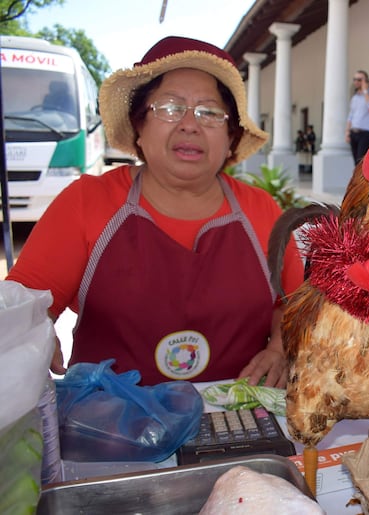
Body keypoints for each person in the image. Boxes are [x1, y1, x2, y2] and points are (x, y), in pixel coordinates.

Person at [6, 36, 304, 386]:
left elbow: (297, 305)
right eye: (169, 108)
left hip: (238, 424)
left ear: (230, 138)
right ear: (139, 128)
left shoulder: (262, 211)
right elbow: (23, 306)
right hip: (109, 423)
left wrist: (282, 347)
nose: (190, 124)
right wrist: (30, 334)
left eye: (209, 112)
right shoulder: (87, 202)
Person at [345, 70, 369, 164]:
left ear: (366, 81)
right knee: (356, 163)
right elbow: (351, 115)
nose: (356, 82)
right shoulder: (355, 97)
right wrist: (347, 132)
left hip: (366, 133)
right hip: (354, 133)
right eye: (355, 79)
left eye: (359, 79)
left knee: (361, 162)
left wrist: (365, 91)